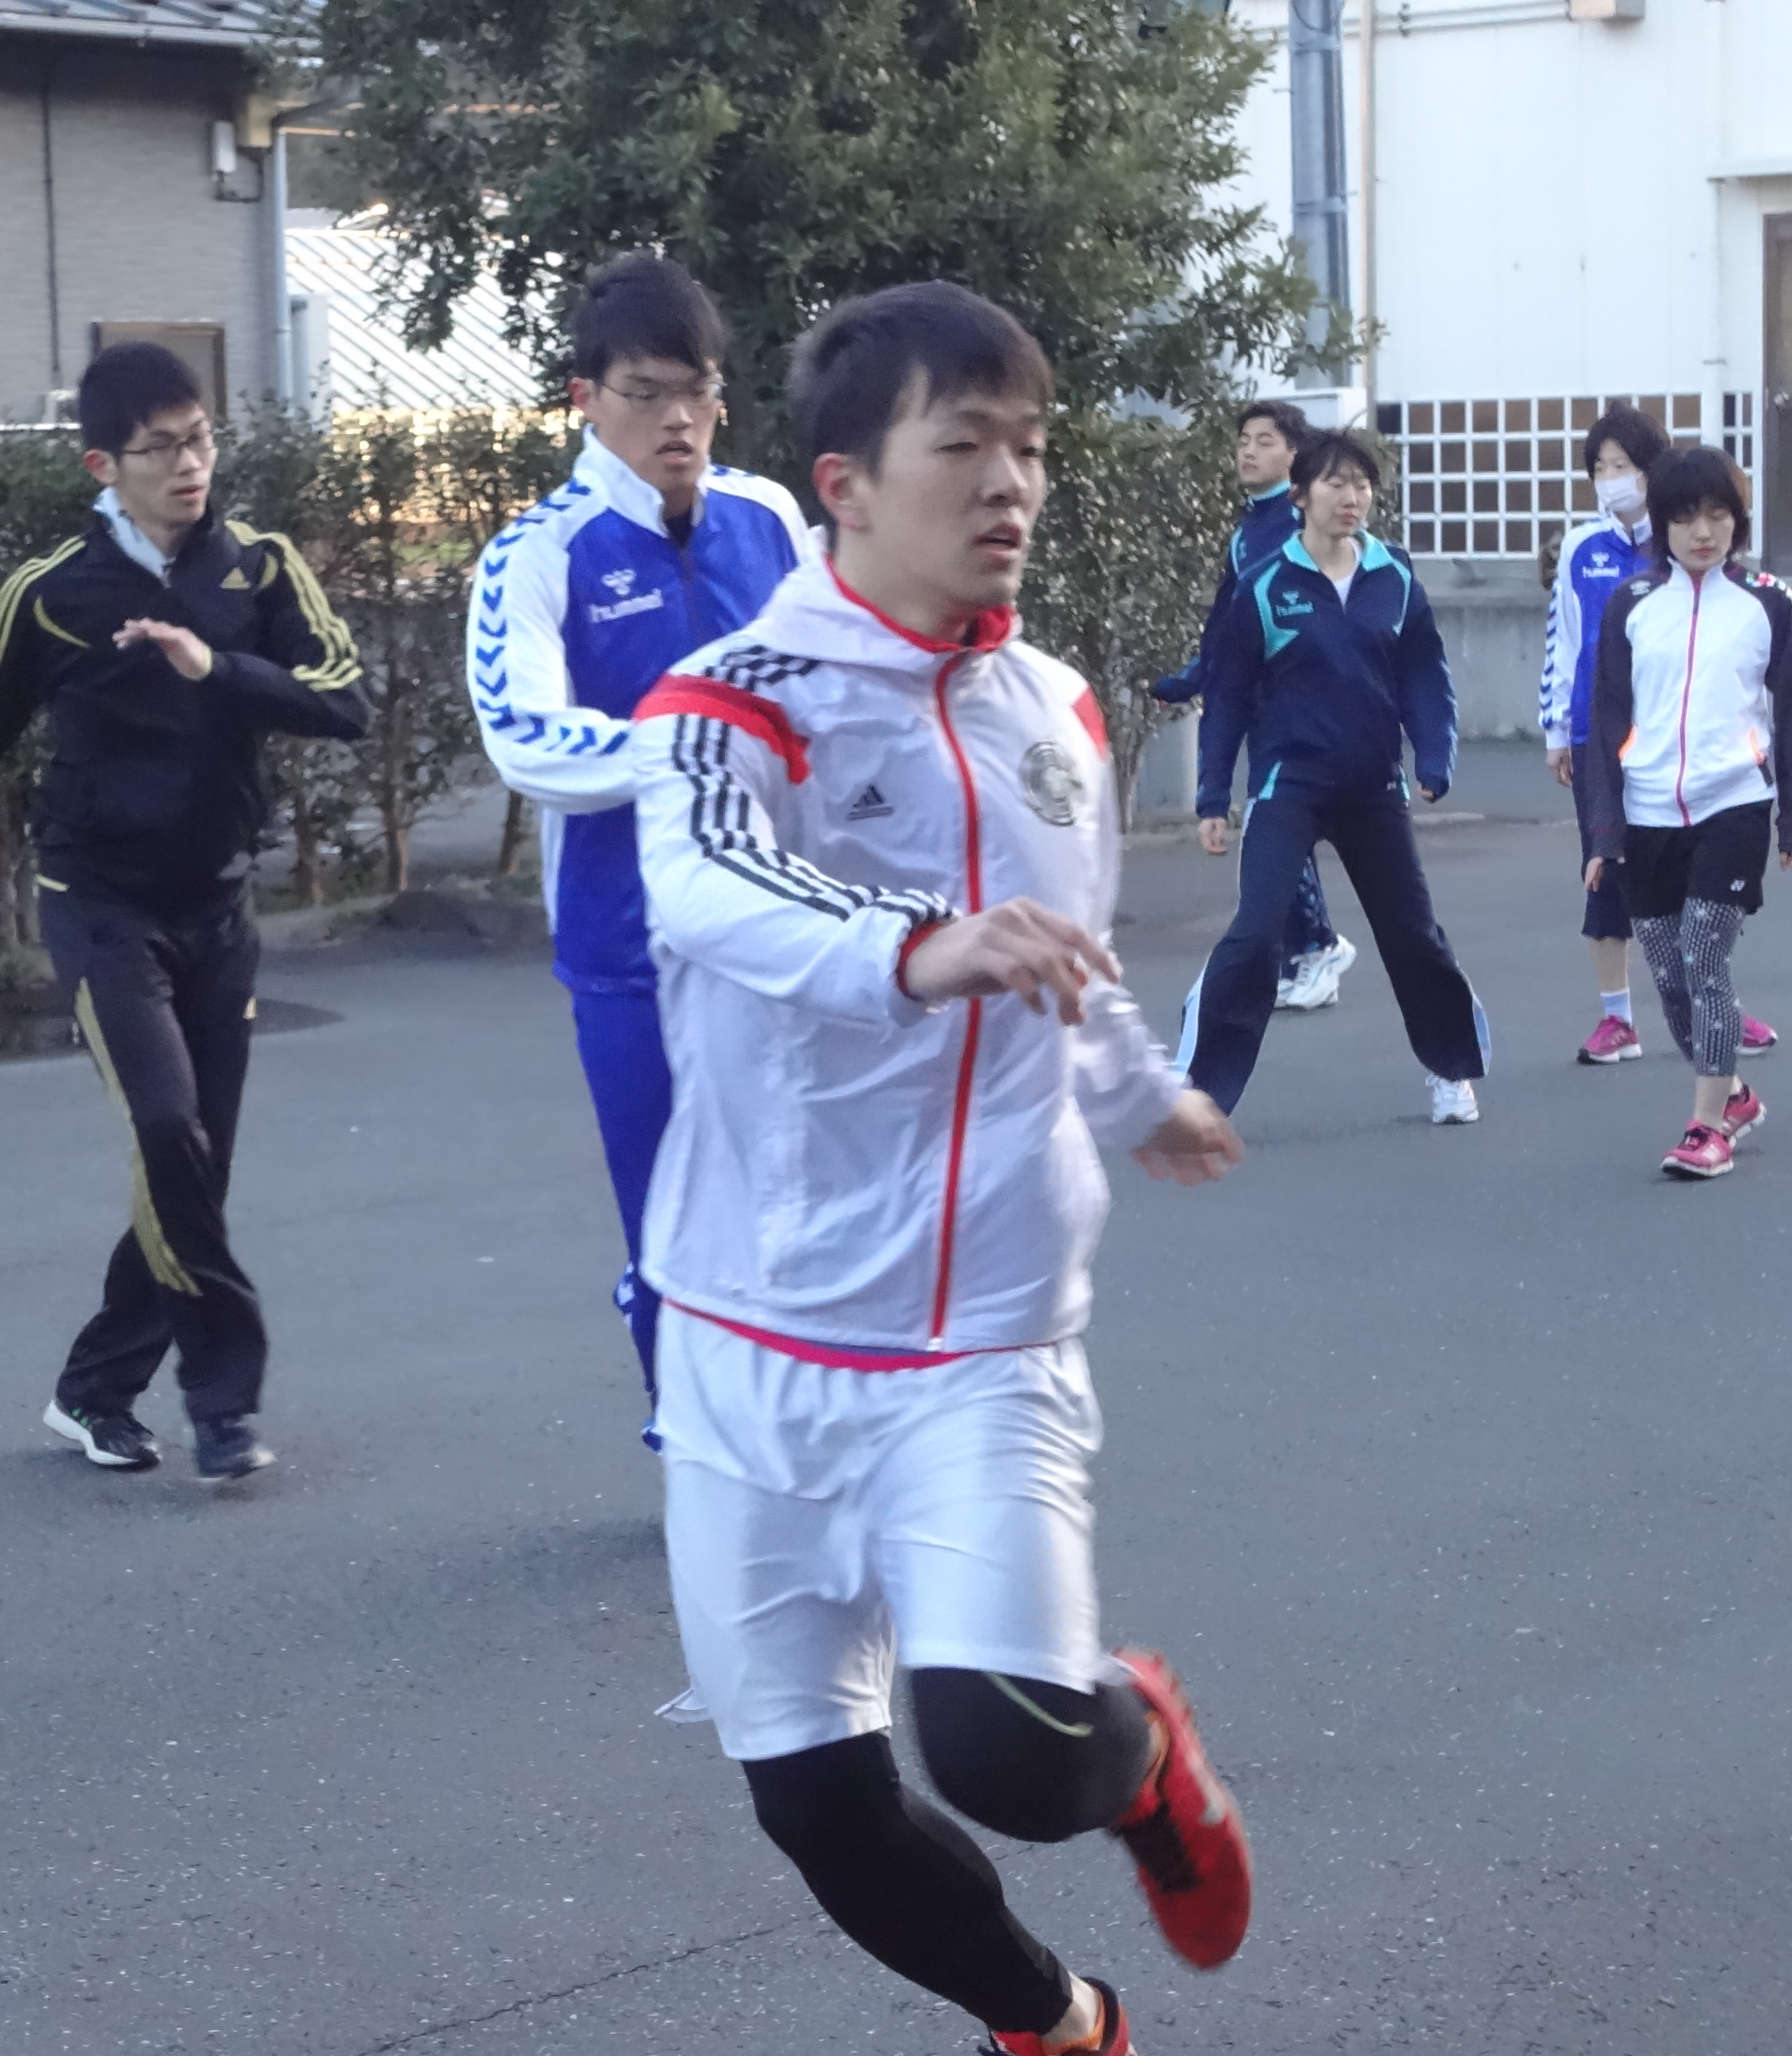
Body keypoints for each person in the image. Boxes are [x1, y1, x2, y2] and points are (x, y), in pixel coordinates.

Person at [631, 281, 1252, 2056]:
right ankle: (1058, 2023)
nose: (1011, 484)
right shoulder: (728, 705)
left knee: (1007, 1752)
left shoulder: (1056, 709)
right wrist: (916, 943)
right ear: (844, 482)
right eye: (964, 444)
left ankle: (1142, 1747)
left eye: (1030, 448)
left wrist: (1138, 1092)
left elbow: (1072, 950)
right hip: (746, 1332)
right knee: (817, 1808)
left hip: (981, 1332)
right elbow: (710, 884)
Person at [0, 342, 369, 1482]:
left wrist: (217, 668)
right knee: (168, 1132)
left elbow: (343, 700)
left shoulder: (258, 568)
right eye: (159, 449)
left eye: (200, 439)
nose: (188, 465)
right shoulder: (53, 592)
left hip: (217, 904)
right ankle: (223, 1401)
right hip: (98, 904)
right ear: (102, 466)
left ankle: (92, 1390)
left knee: (195, 1172)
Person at [466, 254, 813, 1434]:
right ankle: (691, 1419)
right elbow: (526, 739)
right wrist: (704, 747)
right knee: (670, 1214)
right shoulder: (536, 553)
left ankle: (780, 1428)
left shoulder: (769, 518)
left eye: (699, 390)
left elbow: (833, 679)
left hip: (779, 927)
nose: (679, 419)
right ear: (584, 398)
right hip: (628, 947)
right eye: (647, 392)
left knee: (791, 1202)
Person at [1182, 430, 1488, 1124]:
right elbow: (1228, 697)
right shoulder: (1266, 586)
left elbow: (1425, 675)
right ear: (1301, 495)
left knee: (1414, 936)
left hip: (1374, 789)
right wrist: (1212, 796)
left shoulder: (1394, 577)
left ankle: (1451, 1071)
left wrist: (1433, 755)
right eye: (1336, 483)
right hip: (1289, 786)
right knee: (1256, 934)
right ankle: (1200, 1087)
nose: (1352, 497)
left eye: (1362, 484)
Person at [1582, 445, 1792, 1180]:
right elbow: (1607, 718)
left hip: (1734, 803)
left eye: (1717, 514)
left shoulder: (1766, 601)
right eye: (1684, 518)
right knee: (1670, 979)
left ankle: (1706, 1127)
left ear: (1739, 520)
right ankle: (1734, 1095)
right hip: (1647, 811)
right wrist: (1603, 830)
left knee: (1704, 957)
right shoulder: (1632, 603)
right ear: (1662, 525)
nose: (1703, 531)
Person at [1544, 406, 1781, 1066]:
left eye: (1622, 466)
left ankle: (1717, 1009)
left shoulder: (1693, 546)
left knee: (1701, 900)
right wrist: (1558, 728)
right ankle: (1617, 1016)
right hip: (1603, 737)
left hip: (1695, 748)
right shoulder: (1582, 548)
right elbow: (1564, 638)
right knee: (1606, 875)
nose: (1610, 479)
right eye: (1599, 468)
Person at [1155, 397, 1355, 1011]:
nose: (1248, 451)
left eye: (1265, 441)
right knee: (1279, 827)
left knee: (1282, 824)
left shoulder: (1305, 524)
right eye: (1244, 440)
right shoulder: (1247, 534)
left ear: (1294, 454)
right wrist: (1193, 678)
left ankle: (1318, 948)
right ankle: (1310, 951)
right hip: (1265, 705)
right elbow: (1227, 622)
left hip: (1309, 704)